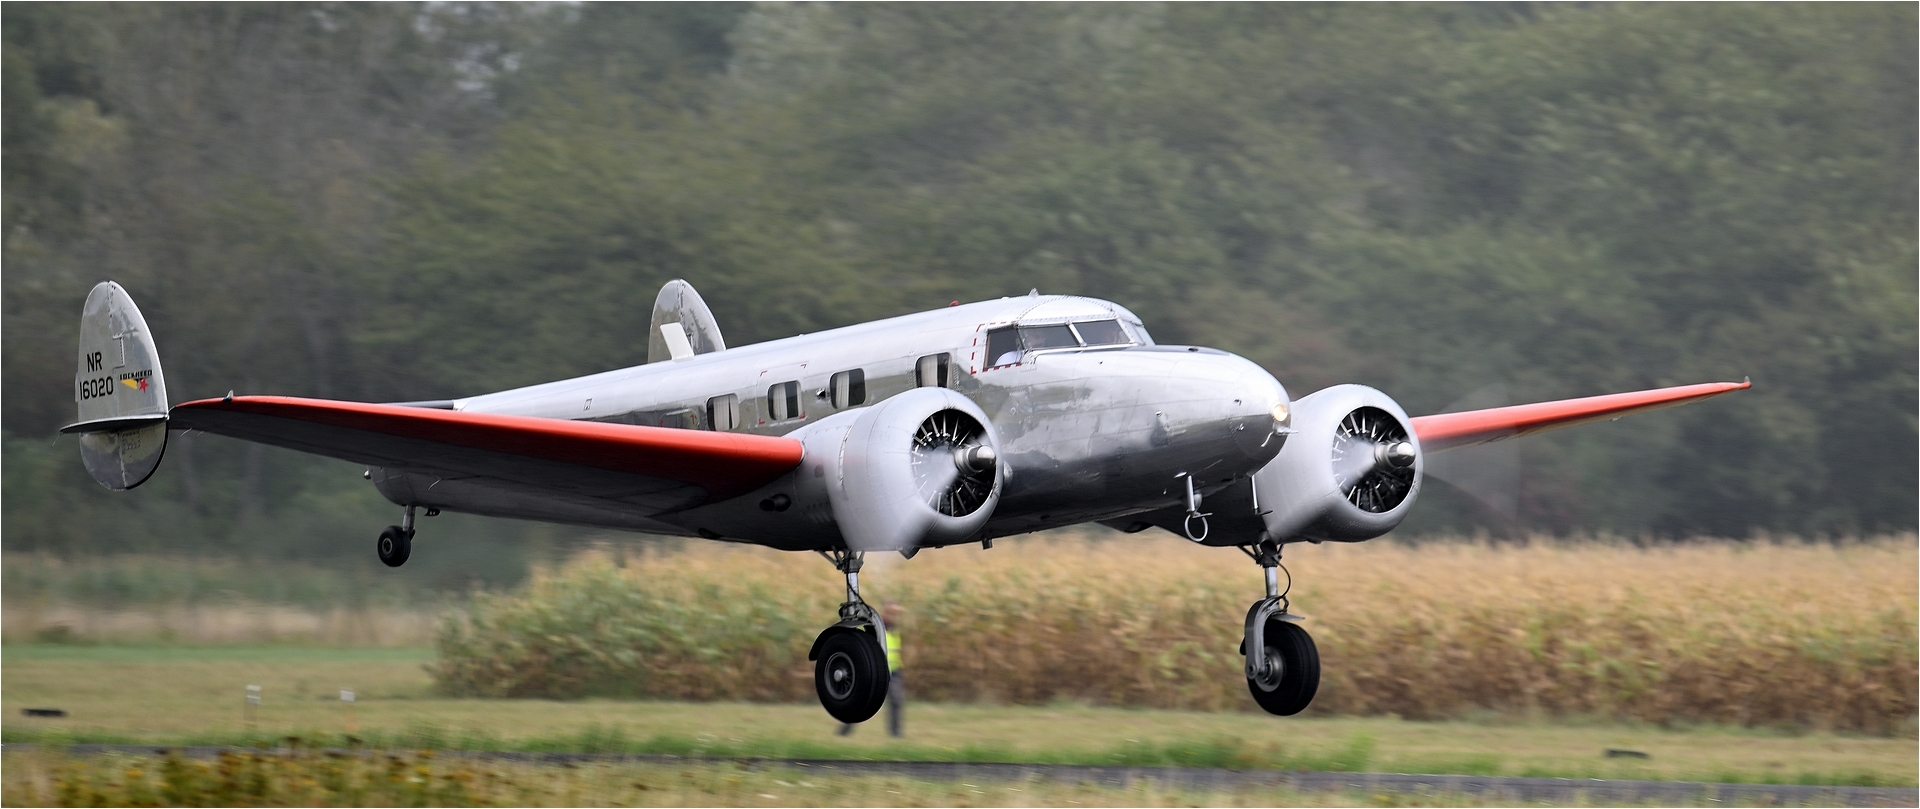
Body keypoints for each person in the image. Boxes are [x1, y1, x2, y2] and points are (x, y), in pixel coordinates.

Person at [837, 601, 906, 738]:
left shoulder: (894, 630)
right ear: (885, 612)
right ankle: (844, 730)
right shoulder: (874, 628)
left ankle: (896, 734)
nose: (893, 616)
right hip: (874, 672)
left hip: (893, 672)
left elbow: (895, 651)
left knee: (896, 701)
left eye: (895, 614)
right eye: (891, 613)